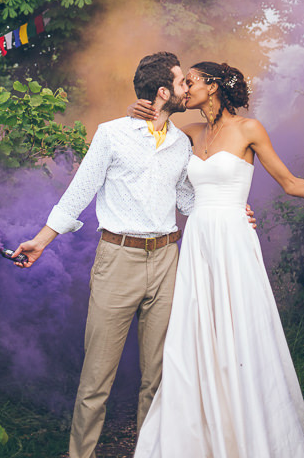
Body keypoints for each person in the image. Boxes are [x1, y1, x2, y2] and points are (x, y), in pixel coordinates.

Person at [129, 60, 304, 458]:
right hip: (198, 240)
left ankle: (248, 434)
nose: (184, 87)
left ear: (214, 85)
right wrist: (136, 110)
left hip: (234, 239)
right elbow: (140, 138)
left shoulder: (249, 130)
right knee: (195, 333)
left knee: (239, 332)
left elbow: (289, 183)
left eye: (190, 81)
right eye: (181, 81)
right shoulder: (187, 133)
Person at [11, 52, 194, 458]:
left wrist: (227, 211)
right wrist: (42, 239)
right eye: (182, 83)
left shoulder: (183, 142)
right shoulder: (111, 134)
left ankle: (150, 450)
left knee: (158, 375)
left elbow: (184, 197)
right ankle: (81, 453)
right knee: (97, 376)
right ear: (164, 92)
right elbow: (80, 191)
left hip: (167, 260)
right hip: (118, 259)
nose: (188, 89)